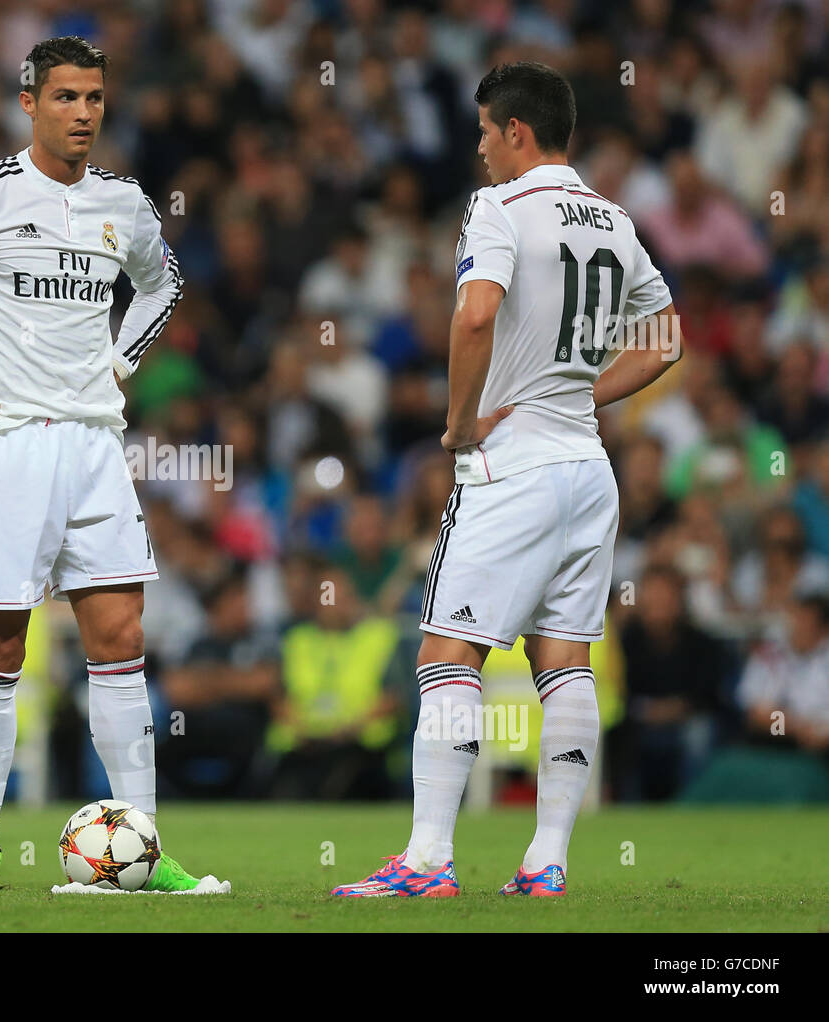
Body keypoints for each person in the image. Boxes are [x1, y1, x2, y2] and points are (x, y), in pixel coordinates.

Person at [0, 36, 223, 893]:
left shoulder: (125, 203)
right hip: (8, 442)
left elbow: (164, 280)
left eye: (94, 98)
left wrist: (123, 361)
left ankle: (144, 841)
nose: (83, 113)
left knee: (121, 641)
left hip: (98, 444)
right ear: (29, 104)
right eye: (65, 97)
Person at [332, 62, 682, 898]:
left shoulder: (499, 208)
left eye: (487, 131)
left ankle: (426, 862)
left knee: (446, 654)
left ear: (516, 131)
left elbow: (476, 312)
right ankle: (546, 861)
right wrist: (582, 394)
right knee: (565, 662)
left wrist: (459, 424)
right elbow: (665, 338)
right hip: (587, 467)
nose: (481, 148)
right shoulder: (614, 220)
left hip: (513, 463)